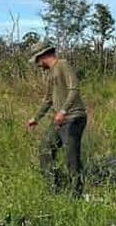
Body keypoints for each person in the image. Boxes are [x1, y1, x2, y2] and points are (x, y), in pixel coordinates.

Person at [25, 42, 87, 197]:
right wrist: (36, 118)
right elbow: (48, 100)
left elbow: (74, 89)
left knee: (71, 157)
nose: (37, 65)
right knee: (45, 149)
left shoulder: (63, 65)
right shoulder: (50, 73)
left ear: (42, 56)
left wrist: (63, 111)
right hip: (59, 120)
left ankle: (76, 194)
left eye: (37, 61)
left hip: (73, 118)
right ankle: (54, 188)